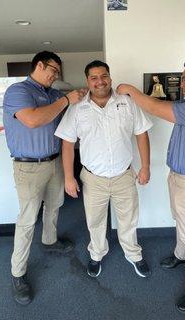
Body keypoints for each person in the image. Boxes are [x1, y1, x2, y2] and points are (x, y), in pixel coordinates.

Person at [116, 58, 185, 314]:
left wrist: (130, 89)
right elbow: (161, 104)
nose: (181, 82)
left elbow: (153, 106)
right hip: (180, 177)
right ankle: (181, 255)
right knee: (180, 220)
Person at [55, 60, 153, 278]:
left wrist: (145, 166)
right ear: (87, 81)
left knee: (128, 219)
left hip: (124, 175)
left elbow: (142, 134)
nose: (100, 81)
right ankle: (97, 254)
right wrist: (69, 177)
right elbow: (67, 144)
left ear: (110, 77)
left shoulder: (128, 103)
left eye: (104, 76)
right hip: (93, 179)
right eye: (94, 77)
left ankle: (133, 254)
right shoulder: (77, 108)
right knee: (95, 220)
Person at [3, 51, 86, 305]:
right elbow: (33, 120)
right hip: (28, 167)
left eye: (57, 72)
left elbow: (67, 122)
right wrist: (66, 101)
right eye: (53, 70)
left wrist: (80, 97)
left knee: (55, 206)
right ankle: (18, 273)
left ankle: (49, 240)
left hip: (54, 162)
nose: (55, 75)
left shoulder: (52, 94)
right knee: (27, 219)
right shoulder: (18, 91)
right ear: (40, 65)